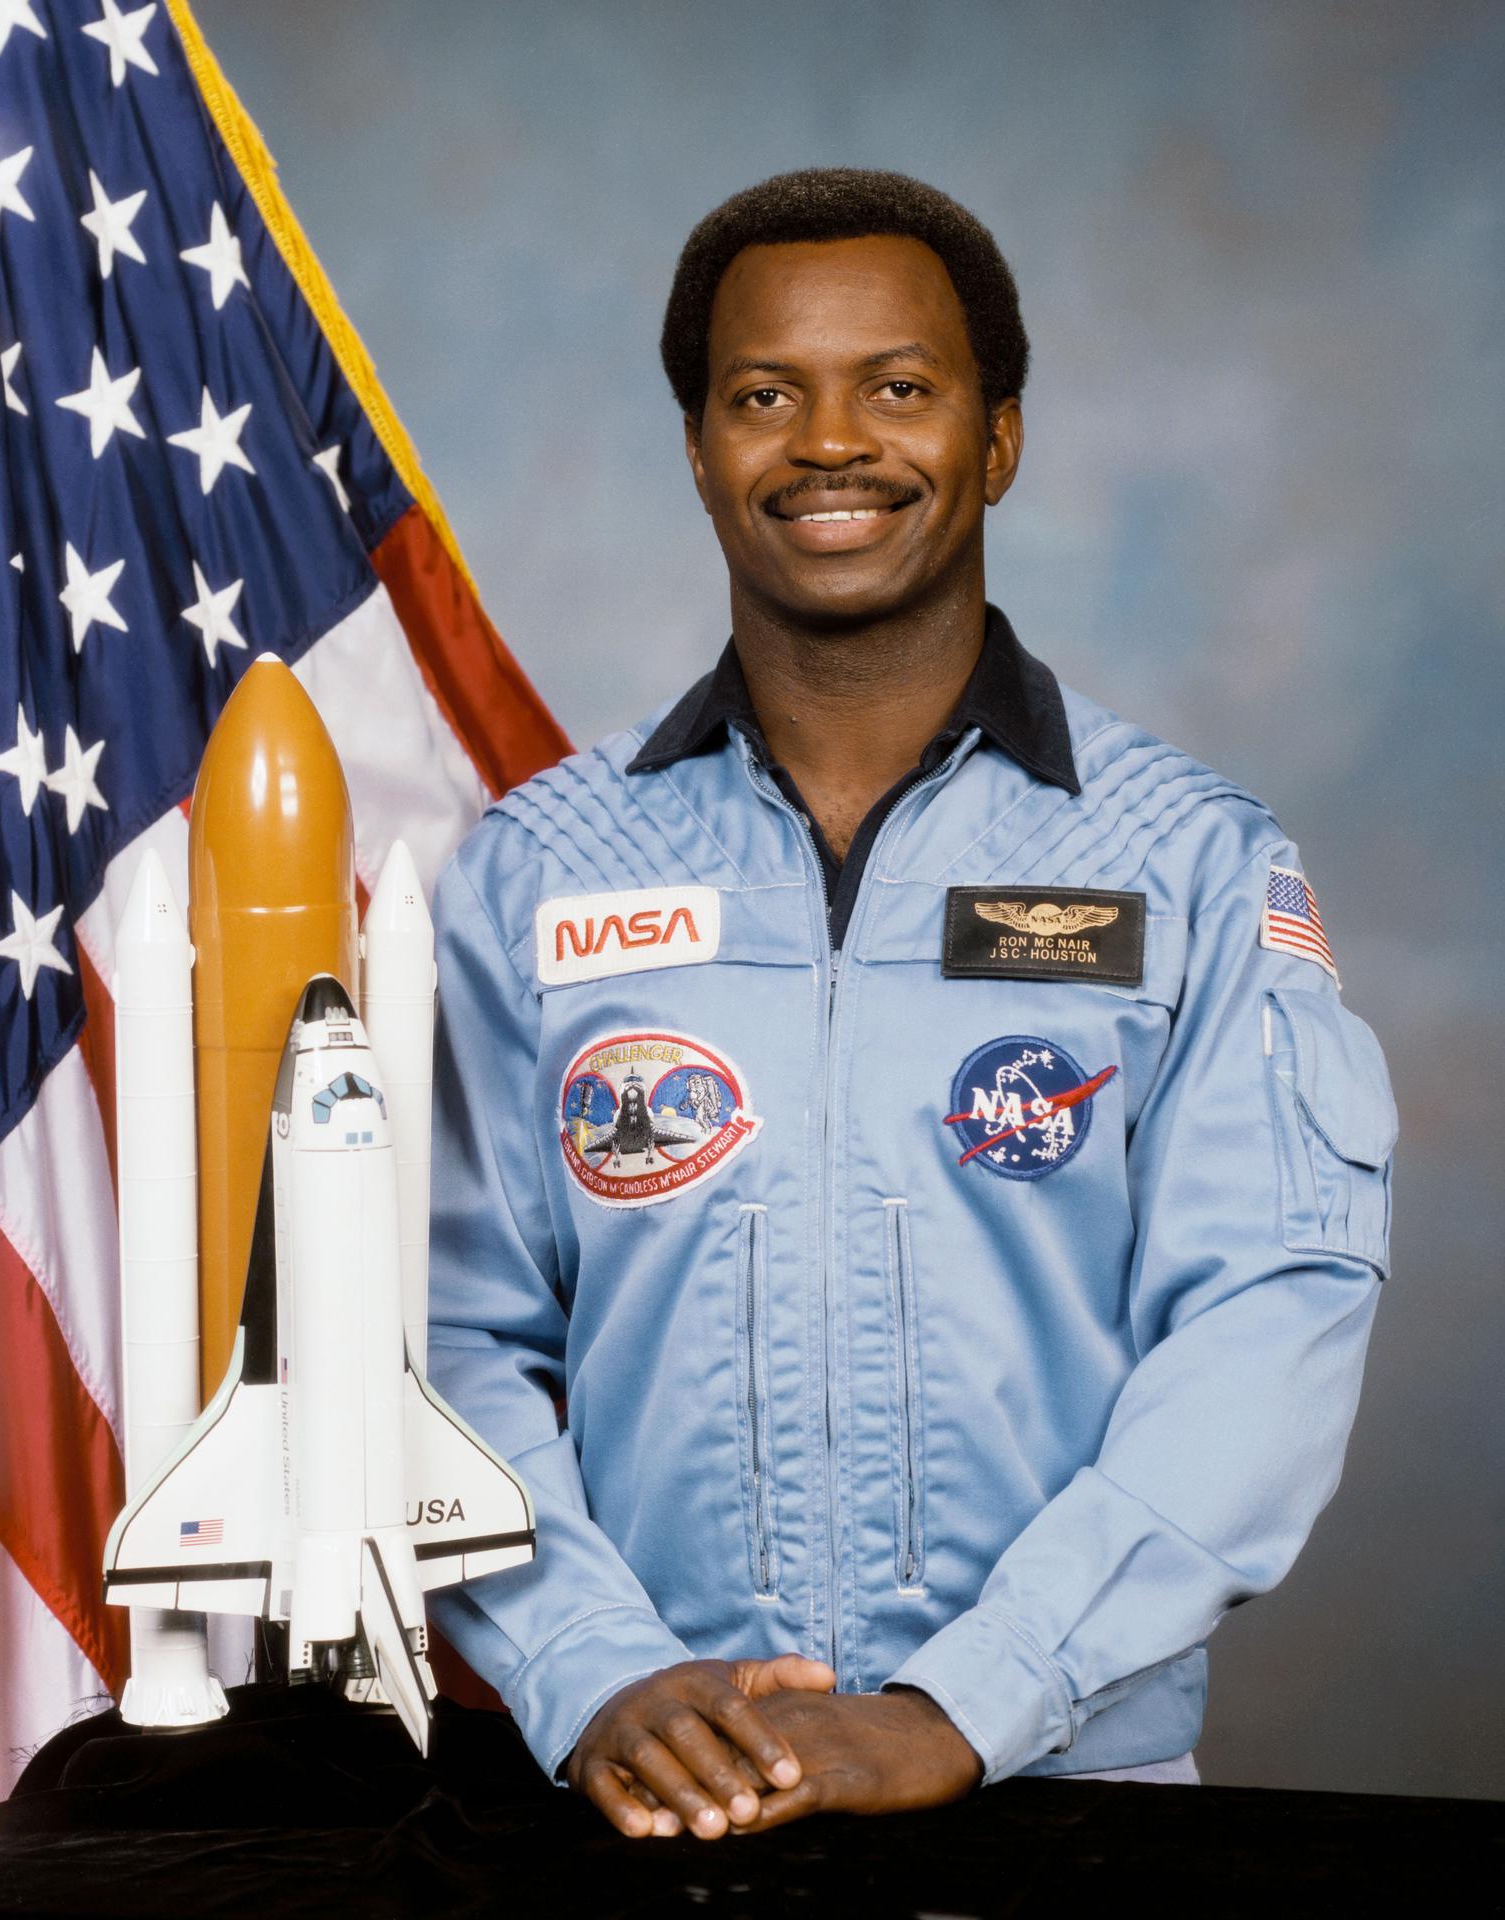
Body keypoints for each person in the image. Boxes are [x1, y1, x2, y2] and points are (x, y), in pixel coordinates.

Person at [427, 169, 1396, 1839]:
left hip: (1069, 1782)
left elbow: (1269, 1318)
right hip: (652, 1791)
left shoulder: (1186, 863)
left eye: (899, 386)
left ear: (998, 438)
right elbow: (446, 1339)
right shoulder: (540, 871)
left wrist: (977, 1697)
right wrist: (594, 1668)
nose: (829, 443)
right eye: (762, 394)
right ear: (699, 448)